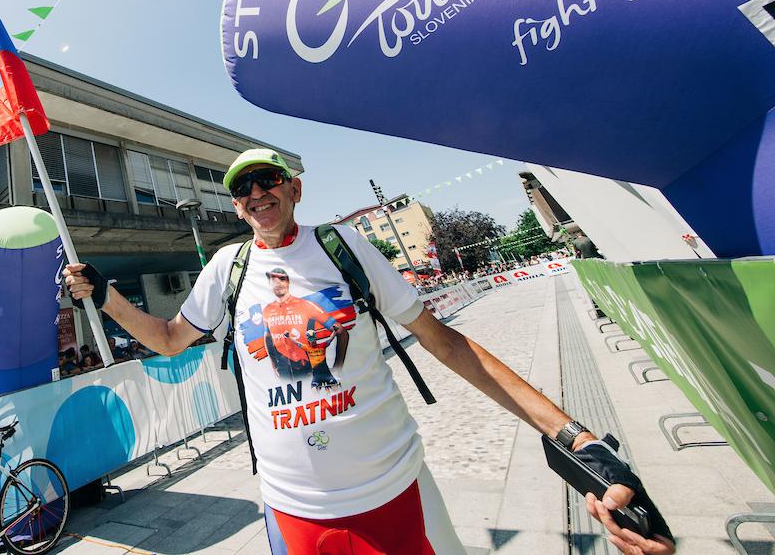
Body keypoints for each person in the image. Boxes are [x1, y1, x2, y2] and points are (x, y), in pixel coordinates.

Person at [65, 148, 674, 555]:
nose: (254, 194)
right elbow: (171, 340)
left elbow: (447, 342)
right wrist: (107, 295)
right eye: (241, 189)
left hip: (396, 489)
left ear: (293, 188)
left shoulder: (343, 246)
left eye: (266, 180)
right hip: (291, 508)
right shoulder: (229, 265)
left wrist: (576, 438)